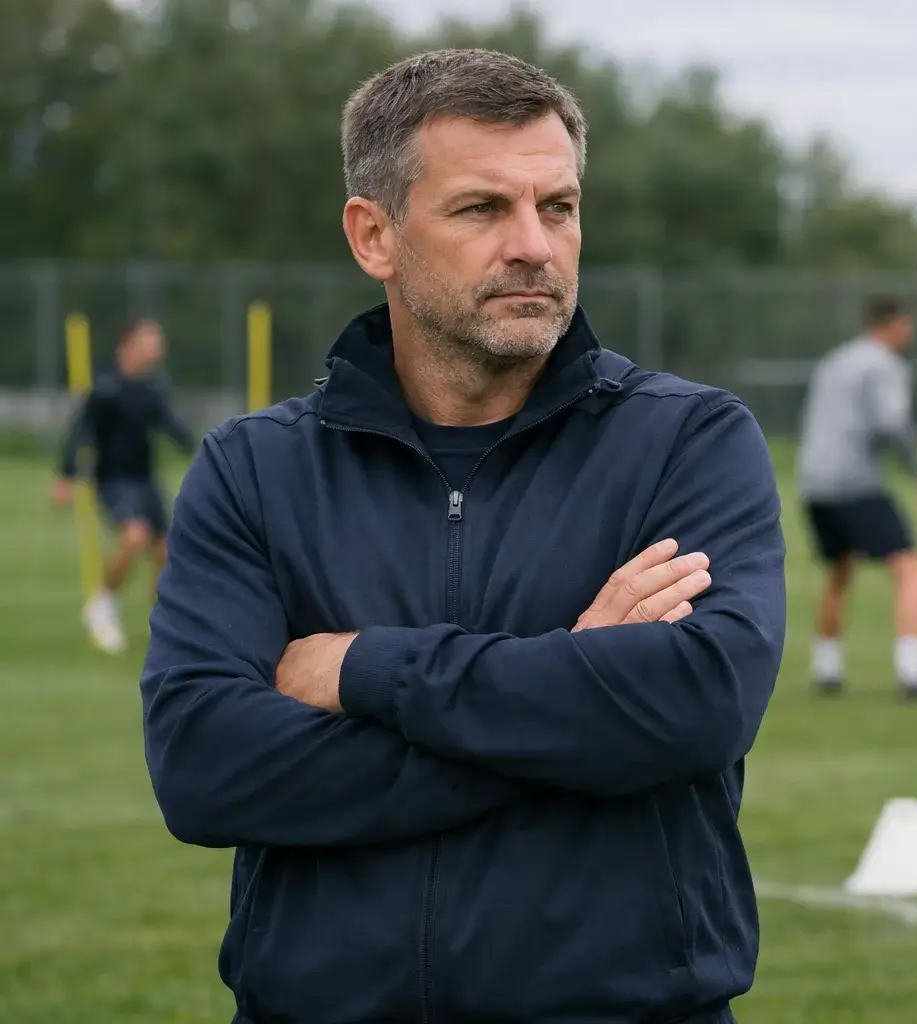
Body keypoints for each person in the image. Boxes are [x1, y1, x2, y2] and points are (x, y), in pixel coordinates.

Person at [139, 49, 786, 1023]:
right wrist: (570, 691)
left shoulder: (687, 442)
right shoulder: (255, 468)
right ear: (374, 235)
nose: (533, 243)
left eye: (557, 207)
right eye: (483, 209)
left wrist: (370, 673)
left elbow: (694, 704)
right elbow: (206, 768)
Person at [796, 295, 917, 702]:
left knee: (839, 570)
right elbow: (891, 423)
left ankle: (827, 670)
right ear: (895, 324)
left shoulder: (835, 361)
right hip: (855, 482)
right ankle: (913, 676)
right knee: (912, 571)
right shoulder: (884, 364)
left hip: (814, 481)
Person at [52, 318, 195, 654]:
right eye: (150, 340)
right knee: (134, 536)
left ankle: (166, 625)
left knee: (166, 552)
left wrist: (209, 451)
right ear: (129, 344)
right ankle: (102, 605)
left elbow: (174, 428)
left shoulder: (152, 389)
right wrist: (66, 476)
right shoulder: (105, 387)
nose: (157, 348)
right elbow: (80, 432)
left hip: (146, 482)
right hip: (114, 482)